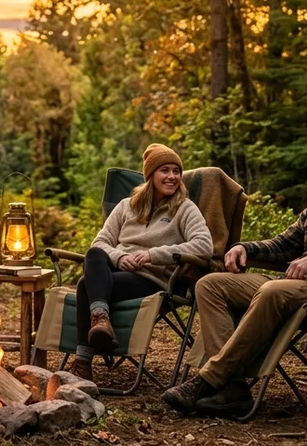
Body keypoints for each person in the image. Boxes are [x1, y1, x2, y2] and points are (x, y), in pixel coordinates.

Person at [160, 132, 307, 417]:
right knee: (211, 284)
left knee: (273, 290)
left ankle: (208, 379)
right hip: (297, 287)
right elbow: (284, 244)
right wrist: (245, 249)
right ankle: (234, 389)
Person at [71, 143, 213, 381]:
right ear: (150, 175)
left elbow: (204, 246)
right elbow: (100, 243)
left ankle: (83, 360)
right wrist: (120, 256)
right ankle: (101, 319)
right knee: (94, 255)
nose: (172, 177)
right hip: (119, 269)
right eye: (164, 170)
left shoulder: (185, 208)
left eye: (176, 171)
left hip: (154, 278)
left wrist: (152, 255)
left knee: (86, 284)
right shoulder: (126, 206)